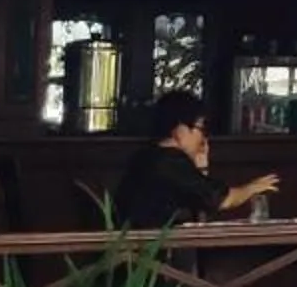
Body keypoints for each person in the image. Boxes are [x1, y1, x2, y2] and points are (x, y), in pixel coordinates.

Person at [112, 90, 275, 231]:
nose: (203, 138)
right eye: (200, 128)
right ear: (181, 130)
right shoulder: (169, 161)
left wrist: (201, 170)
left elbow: (200, 204)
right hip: (149, 258)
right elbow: (220, 200)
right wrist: (252, 188)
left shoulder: (147, 157)